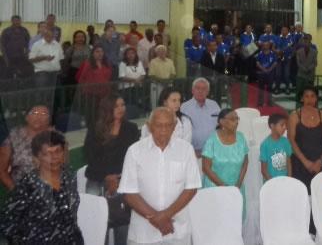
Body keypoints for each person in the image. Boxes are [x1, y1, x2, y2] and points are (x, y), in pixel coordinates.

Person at [119, 107, 201, 244]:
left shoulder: (186, 150)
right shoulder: (135, 151)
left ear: (174, 126)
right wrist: (157, 219)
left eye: (168, 125)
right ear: (149, 126)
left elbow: (191, 188)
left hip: (177, 229)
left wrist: (165, 216)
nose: (163, 130)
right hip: (144, 232)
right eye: (158, 125)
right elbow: (129, 192)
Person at [0, 130, 83, 244]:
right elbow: (7, 224)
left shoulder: (69, 175)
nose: (54, 157)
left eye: (57, 151)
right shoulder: (27, 186)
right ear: (36, 158)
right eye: (47, 153)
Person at [84, 96, 140, 244]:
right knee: (97, 223)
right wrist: (106, 177)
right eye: (116, 106)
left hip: (122, 181)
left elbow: (133, 158)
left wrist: (117, 178)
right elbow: (90, 156)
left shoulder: (132, 128)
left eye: (123, 105)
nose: (121, 108)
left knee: (122, 223)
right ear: (107, 109)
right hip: (96, 179)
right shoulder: (95, 128)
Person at [288, 87, 322, 234]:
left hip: (321, 163)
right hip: (300, 163)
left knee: (320, 197)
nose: (309, 99)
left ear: (316, 99)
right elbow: (291, 141)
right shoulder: (294, 116)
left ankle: (318, 229)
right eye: (306, 96)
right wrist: (305, 162)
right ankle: (302, 229)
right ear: (301, 99)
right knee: (302, 198)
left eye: (312, 96)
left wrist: (321, 160)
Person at [202, 109, 249, 215]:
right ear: (222, 121)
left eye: (237, 119)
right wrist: (225, 187)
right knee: (216, 221)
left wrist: (238, 184)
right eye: (233, 119)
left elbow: (245, 162)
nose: (236, 122)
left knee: (235, 222)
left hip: (236, 187)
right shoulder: (212, 140)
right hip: (215, 189)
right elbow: (206, 168)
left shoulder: (241, 137)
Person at [0, 105, 52, 190]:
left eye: (44, 113)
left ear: (48, 120)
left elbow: (64, 167)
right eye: (34, 113)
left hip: (50, 190)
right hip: (23, 190)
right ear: (27, 117)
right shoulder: (14, 137)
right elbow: (1, 171)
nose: (39, 116)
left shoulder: (55, 137)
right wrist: (16, 191)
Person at [181, 78, 220, 157]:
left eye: (204, 89)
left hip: (213, 152)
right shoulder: (184, 107)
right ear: (192, 90)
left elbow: (221, 125)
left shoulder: (214, 105)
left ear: (208, 92)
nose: (200, 91)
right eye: (197, 88)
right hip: (193, 153)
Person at [76, 45, 113, 125]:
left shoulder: (107, 64)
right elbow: (79, 77)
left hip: (104, 94)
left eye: (101, 51)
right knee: (92, 115)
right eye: (97, 51)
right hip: (90, 94)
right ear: (92, 53)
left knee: (103, 114)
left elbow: (109, 77)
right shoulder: (87, 64)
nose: (100, 54)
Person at [29, 28, 63, 96]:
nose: (49, 37)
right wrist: (43, 57)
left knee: (54, 94)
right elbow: (31, 59)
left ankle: (53, 106)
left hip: (55, 73)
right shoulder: (37, 44)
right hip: (42, 73)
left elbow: (61, 58)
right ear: (44, 35)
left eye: (51, 35)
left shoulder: (57, 44)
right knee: (42, 93)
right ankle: (41, 106)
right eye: (47, 35)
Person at [260, 113, 292, 181]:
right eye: (282, 125)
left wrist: (289, 179)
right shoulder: (265, 144)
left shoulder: (286, 141)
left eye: (285, 125)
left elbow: (288, 163)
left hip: (284, 180)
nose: (285, 127)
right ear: (272, 126)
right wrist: (273, 183)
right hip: (271, 182)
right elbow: (264, 170)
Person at [200, 40, 226, 105]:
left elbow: (224, 69)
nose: (213, 47)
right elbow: (203, 70)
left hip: (219, 80)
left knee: (218, 97)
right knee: (208, 97)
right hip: (208, 81)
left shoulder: (221, 56)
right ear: (208, 47)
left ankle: (218, 109)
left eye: (214, 45)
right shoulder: (205, 57)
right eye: (211, 45)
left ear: (217, 46)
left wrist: (221, 77)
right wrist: (209, 78)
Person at [295, 34, 318, 102]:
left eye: (307, 41)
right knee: (299, 91)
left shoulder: (314, 52)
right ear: (303, 42)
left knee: (310, 91)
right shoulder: (299, 51)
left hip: (310, 74)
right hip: (301, 74)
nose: (306, 43)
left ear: (310, 42)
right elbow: (298, 63)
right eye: (305, 41)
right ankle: (298, 105)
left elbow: (315, 63)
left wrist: (309, 68)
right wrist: (304, 69)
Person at [256, 42, 278, 106]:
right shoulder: (260, 54)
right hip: (261, 73)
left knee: (270, 89)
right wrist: (264, 69)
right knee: (261, 89)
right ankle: (260, 102)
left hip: (270, 73)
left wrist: (269, 69)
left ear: (269, 46)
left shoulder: (273, 54)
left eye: (267, 45)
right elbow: (257, 63)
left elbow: (275, 63)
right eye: (264, 45)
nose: (265, 46)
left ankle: (270, 102)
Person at [276, 26, 295, 94]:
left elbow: (294, 49)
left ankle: (287, 88)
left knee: (287, 74)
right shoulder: (277, 37)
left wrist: (291, 56)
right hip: (279, 58)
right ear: (281, 31)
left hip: (287, 59)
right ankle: (277, 88)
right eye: (282, 30)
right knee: (278, 74)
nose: (284, 31)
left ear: (288, 31)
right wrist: (276, 51)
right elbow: (273, 47)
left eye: (285, 30)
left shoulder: (291, 38)